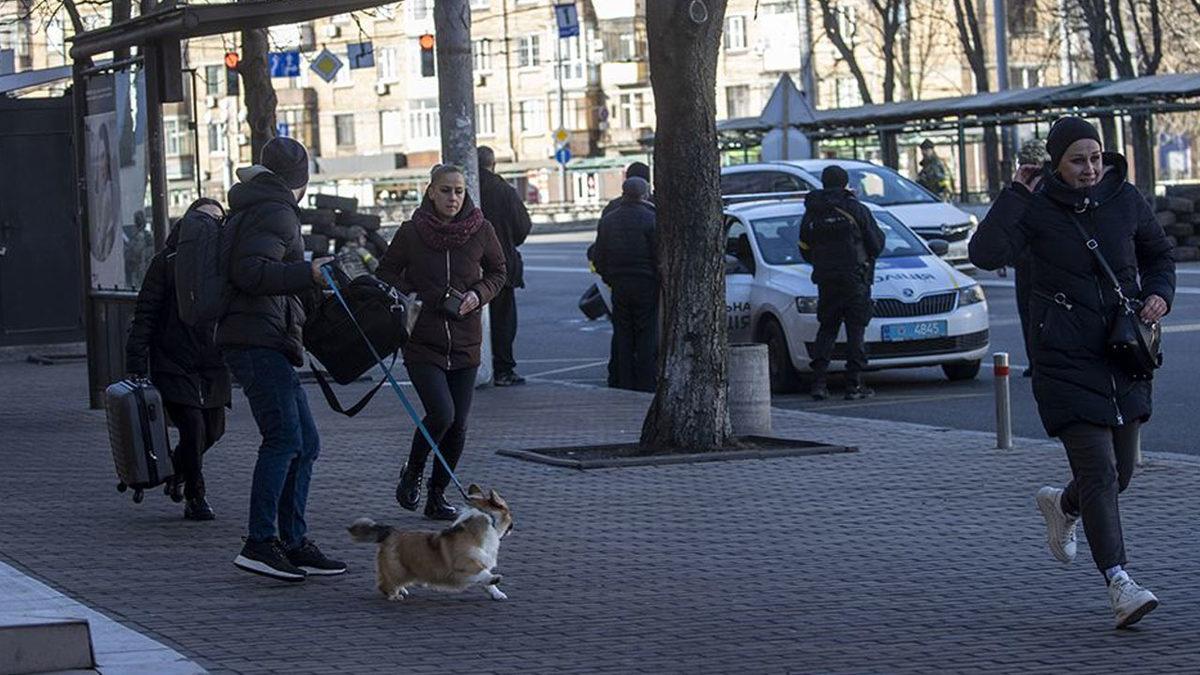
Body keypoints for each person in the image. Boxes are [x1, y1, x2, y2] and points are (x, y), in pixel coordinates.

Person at [968, 116, 1175, 629]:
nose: (1089, 169)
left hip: (1124, 354)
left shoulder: (1124, 199)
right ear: (1056, 165)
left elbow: (1159, 255)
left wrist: (1159, 295)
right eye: (1078, 160)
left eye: (1095, 158)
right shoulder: (1035, 208)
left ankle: (1063, 505)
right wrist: (1016, 193)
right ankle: (1120, 583)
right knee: (1099, 472)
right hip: (1063, 359)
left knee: (1120, 473)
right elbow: (985, 253)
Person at [217, 137, 345, 582]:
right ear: (301, 181)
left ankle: (293, 542)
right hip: (256, 340)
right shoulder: (275, 210)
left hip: (264, 337)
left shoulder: (259, 205)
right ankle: (260, 542)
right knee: (285, 439)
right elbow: (251, 272)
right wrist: (307, 272)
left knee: (305, 442)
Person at [379, 165, 507, 521]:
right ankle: (414, 470)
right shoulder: (411, 232)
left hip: (465, 342)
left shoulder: (481, 229)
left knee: (458, 425)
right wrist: (415, 296)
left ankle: (437, 495)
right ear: (431, 191)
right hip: (423, 341)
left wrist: (478, 294)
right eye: (446, 190)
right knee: (442, 414)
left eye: (459, 191)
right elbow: (385, 272)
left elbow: (499, 272)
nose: (453, 197)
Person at [125, 198, 231, 522]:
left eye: (217, 221)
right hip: (173, 360)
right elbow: (146, 312)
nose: (209, 227)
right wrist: (136, 361)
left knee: (213, 430)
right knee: (193, 427)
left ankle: (175, 471)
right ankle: (195, 496)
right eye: (203, 220)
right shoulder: (166, 262)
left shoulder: (223, 262)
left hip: (212, 362)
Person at [799, 165, 886, 401]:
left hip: (826, 279)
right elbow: (876, 244)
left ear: (823, 183)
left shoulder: (813, 211)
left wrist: (821, 263)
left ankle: (819, 383)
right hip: (855, 278)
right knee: (856, 331)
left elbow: (803, 246)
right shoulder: (856, 209)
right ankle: (854, 384)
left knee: (827, 329)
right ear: (845, 183)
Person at [592, 177, 658, 392]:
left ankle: (624, 380)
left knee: (623, 333)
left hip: (619, 284)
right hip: (646, 283)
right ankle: (646, 382)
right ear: (644, 194)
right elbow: (658, 255)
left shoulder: (609, 220)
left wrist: (609, 277)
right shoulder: (651, 219)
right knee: (646, 333)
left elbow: (599, 256)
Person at [477, 145, 533, 387]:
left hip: (466, 266)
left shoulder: (462, 187)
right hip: (500, 265)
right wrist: (508, 241)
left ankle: (470, 369)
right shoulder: (503, 190)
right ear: (493, 164)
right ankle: (503, 370)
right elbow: (522, 226)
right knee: (503, 320)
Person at [1014, 137, 1051, 377]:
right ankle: (1036, 361)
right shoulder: (1021, 187)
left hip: (1036, 261)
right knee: (1031, 314)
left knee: (1035, 314)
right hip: (1027, 261)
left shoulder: (1049, 188)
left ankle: (1038, 362)